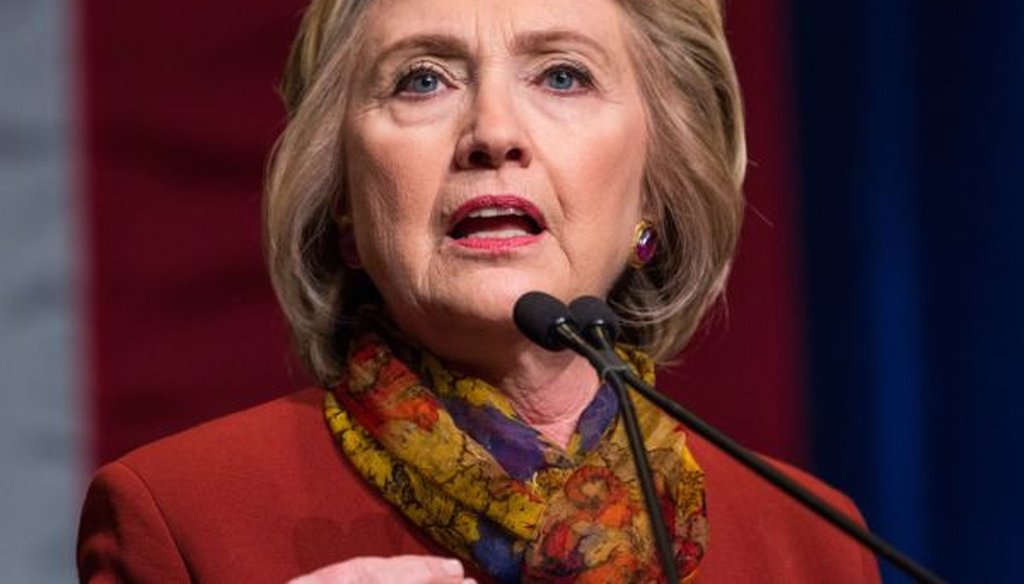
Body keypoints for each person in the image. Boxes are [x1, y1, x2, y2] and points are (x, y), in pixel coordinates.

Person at [77, 0, 882, 582]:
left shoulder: (810, 544)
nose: (493, 133)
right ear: (344, 195)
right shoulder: (180, 515)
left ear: (656, 188)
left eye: (562, 75)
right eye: (422, 80)